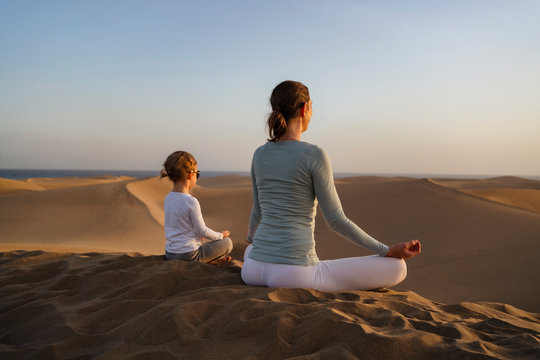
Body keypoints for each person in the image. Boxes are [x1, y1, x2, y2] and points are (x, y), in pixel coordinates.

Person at [241, 80, 421, 291]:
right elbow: (336, 220)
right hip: (293, 274)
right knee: (398, 268)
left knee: (250, 249)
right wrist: (387, 251)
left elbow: (257, 211)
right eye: (312, 107)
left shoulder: (259, 154)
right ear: (304, 108)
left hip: (252, 270)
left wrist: (253, 240)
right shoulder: (313, 154)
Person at [160, 151, 233, 264]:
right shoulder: (190, 201)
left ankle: (208, 261)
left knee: (204, 244)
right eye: (197, 173)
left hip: (170, 253)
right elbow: (202, 230)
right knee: (227, 243)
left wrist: (197, 236)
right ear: (190, 174)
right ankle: (206, 262)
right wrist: (221, 235)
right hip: (188, 256)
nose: (197, 176)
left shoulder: (168, 198)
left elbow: (179, 226)